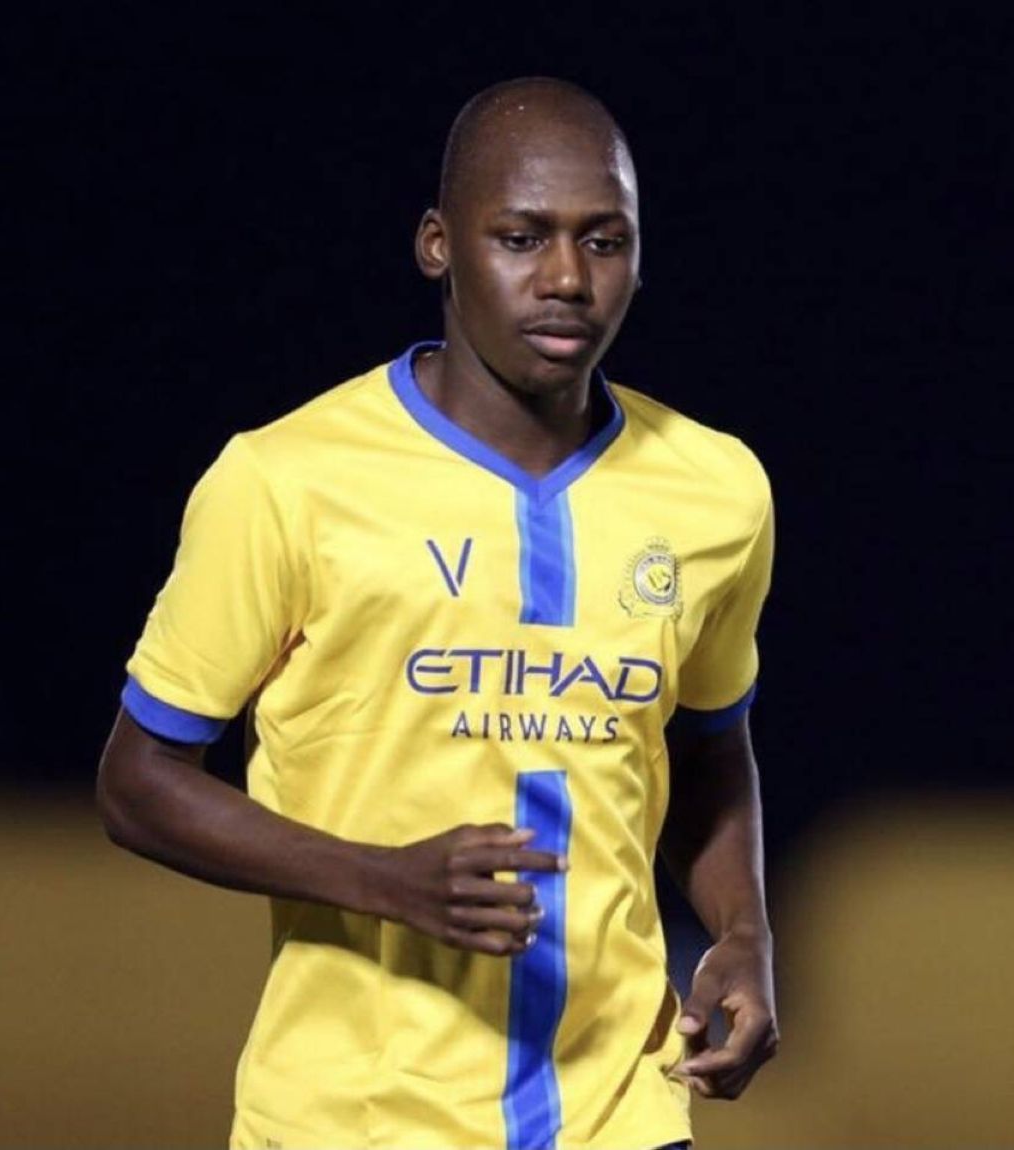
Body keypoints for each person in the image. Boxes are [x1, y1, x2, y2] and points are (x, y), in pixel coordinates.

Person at [97, 76, 777, 1150]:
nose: (567, 277)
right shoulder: (287, 481)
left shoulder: (716, 490)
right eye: (522, 238)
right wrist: (382, 879)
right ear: (437, 245)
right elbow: (137, 784)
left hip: (624, 1115)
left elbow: (707, 748)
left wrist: (742, 932)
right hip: (352, 1119)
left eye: (604, 241)